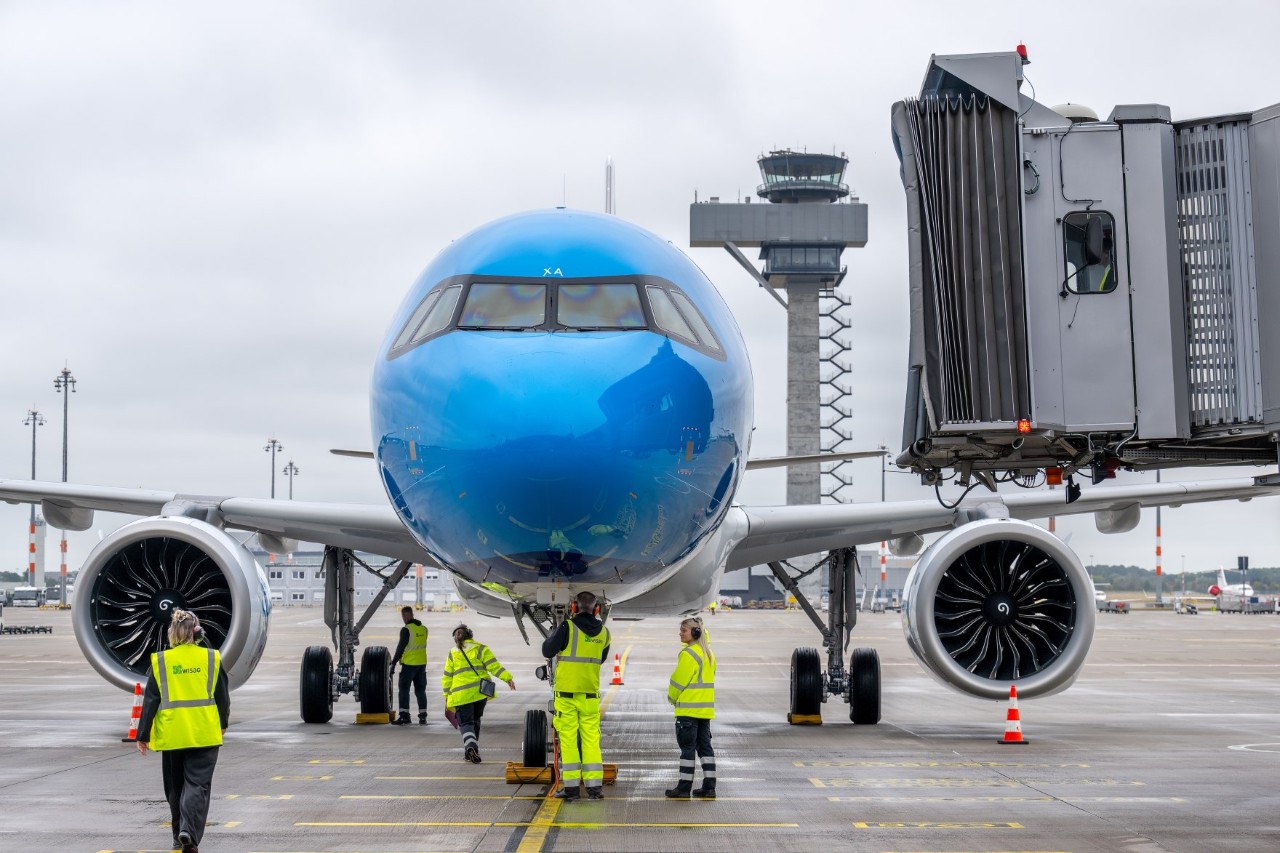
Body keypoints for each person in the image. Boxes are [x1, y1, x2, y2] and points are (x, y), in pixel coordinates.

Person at [136, 608, 230, 853]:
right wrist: (223, 722)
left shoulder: (161, 661)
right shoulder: (211, 658)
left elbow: (150, 700)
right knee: (197, 786)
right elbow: (222, 695)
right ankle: (189, 831)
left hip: (173, 734)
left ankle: (179, 835)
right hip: (203, 733)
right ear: (197, 632)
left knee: (175, 787)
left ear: (171, 633)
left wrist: (143, 734)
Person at [541, 590, 611, 801]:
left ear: (573, 607)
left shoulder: (568, 627)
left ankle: (571, 789)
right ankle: (594, 789)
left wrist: (557, 634)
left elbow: (547, 650)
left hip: (567, 696)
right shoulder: (605, 633)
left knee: (569, 740)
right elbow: (602, 658)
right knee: (591, 741)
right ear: (596, 609)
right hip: (590, 696)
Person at [441, 623, 515, 763]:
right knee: (475, 720)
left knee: (466, 723)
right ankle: (470, 752)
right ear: (471, 635)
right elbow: (494, 666)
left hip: (461, 695)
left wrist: (446, 695)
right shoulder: (481, 648)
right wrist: (508, 678)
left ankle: (471, 747)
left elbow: (447, 676)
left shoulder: (453, 653)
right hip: (480, 694)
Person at [664, 616, 716, 799]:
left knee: (687, 751)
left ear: (695, 633)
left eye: (683, 630)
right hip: (704, 712)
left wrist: (671, 698)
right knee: (705, 750)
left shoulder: (689, 654)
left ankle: (684, 788)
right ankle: (709, 788)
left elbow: (678, 681)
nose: (680, 633)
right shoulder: (708, 654)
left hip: (688, 711)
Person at [389, 606, 429, 725]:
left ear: (405, 616)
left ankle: (404, 716)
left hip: (409, 665)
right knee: (420, 690)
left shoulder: (406, 630)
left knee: (404, 689)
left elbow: (401, 647)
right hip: (422, 664)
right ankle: (423, 717)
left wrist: (394, 662)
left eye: (403, 616)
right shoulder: (424, 629)